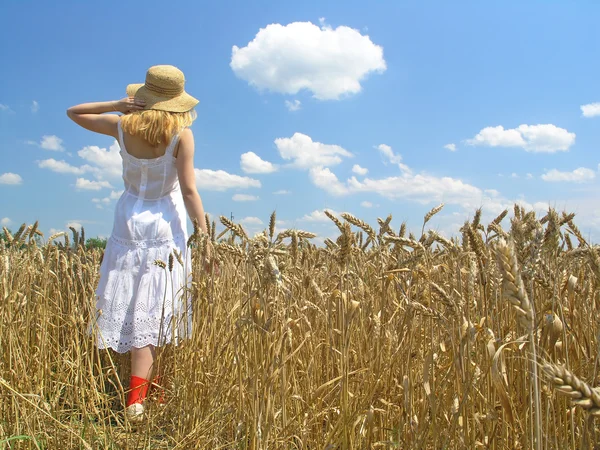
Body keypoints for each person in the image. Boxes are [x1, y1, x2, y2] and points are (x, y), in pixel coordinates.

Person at [67, 65, 208, 421]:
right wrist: (204, 236)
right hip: (166, 225)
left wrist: (117, 104)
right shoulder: (182, 135)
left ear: (143, 97)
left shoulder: (121, 126)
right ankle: (139, 399)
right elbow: (189, 190)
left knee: (132, 305)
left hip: (127, 221)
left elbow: (74, 112)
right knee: (157, 309)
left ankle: (141, 392)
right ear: (177, 102)